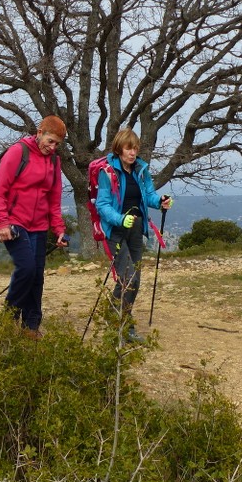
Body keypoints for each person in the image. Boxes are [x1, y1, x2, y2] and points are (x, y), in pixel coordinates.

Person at [0, 115, 68, 339]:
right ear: (40, 132)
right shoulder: (18, 152)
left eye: (57, 144)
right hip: (15, 222)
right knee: (26, 268)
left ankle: (31, 327)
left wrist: (59, 229)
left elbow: (54, 199)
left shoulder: (54, 161)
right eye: (50, 141)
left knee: (36, 276)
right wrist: (2, 223)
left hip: (40, 225)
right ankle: (8, 319)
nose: (52, 147)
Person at [95, 127, 173, 342]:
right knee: (128, 278)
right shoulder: (108, 172)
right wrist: (120, 219)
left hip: (136, 229)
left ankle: (120, 320)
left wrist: (160, 202)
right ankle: (119, 323)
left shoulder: (140, 170)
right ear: (119, 148)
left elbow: (147, 195)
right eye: (129, 148)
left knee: (134, 279)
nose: (133, 152)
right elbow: (102, 204)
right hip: (115, 232)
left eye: (135, 148)